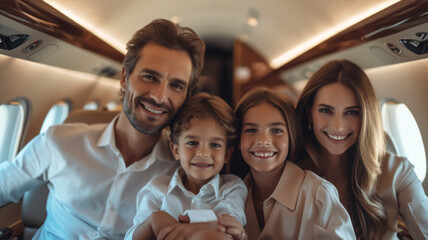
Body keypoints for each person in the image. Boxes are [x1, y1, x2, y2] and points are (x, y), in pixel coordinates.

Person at [0, 18, 205, 239]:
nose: (160, 96)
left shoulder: (184, 171)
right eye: (150, 77)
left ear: (186, 96)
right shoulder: (58, 141)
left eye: (176, 85)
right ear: (125, 79)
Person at [295, 60, 428, 239]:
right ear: (309, 113)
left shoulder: (398, 171)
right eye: (326, 110)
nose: (338, 126)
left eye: (352, 112)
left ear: (366, 116)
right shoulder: (292, 174)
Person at [224, 87, 356, 239]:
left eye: (276, 131)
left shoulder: (318, 195)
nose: (264, 141)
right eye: (251, 130)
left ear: (291, 138)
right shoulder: (229, 196)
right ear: (239, 141)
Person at [125, 92, 247, 240]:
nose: (203, 153)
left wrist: (177, 228)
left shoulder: (232, 187)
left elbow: (225, 228)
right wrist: (154, 219)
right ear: (176, 150)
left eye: (215, 145)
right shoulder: (156, 189)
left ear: (227, 154)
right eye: (192, 143)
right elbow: (132, 236)